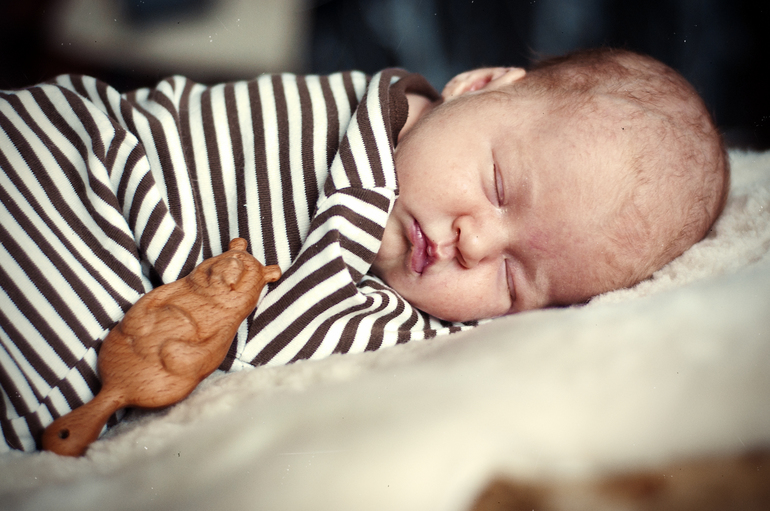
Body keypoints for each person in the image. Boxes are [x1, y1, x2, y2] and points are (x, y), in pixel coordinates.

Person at [0, 48, 728, 452]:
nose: (475, 242)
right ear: (477, 86)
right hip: (55, 177)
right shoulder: (360, 121)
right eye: (499, 185)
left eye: (514, 278)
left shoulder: (423, 322)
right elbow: (275, 331)